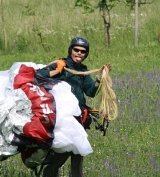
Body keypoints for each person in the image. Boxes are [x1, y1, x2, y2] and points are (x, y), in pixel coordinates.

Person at [36, 36, 111, 177]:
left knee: (78, 153)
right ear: (71, 50)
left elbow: (90, 92)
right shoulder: (61, 64)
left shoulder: (82, 71)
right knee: (66, 150)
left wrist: (99, 79)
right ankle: (48, 173)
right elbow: (38, 75)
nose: (79, 53)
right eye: (76, 50)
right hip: (63, 119)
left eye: (83, 51)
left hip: (78, 119)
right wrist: (56, 71)